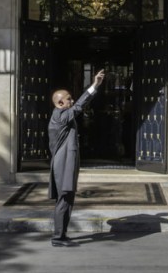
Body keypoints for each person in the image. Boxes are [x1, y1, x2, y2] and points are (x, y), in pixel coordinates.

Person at [48, 68, 106, 247]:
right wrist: (94, 85)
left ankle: (62, 234)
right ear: (59, 103)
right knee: (64, 200)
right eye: (68, 99)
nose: (71, 101)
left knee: (68, 200)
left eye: (71, 99)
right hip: (63, 164)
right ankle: (58, 237)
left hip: (67, 163)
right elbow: (80, 106)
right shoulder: (60, 116)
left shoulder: (62, 115)